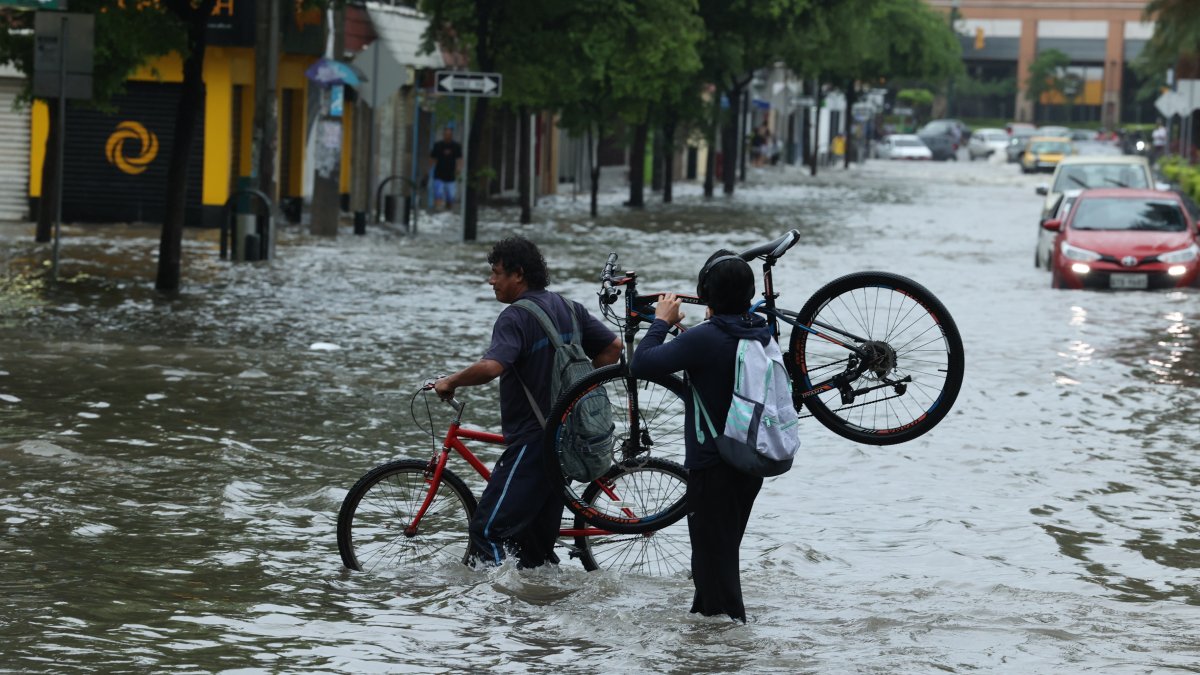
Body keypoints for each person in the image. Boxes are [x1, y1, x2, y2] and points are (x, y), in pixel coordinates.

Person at [434, 236, 622, 568]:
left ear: (518, 274)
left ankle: (490, 613)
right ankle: (536, 613)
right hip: (565, 445)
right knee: (534, 549)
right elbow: (612, 350)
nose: (491, 281)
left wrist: (450, 380)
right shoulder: (568, 307)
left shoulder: (515, 318)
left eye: (496, 273)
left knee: (487, 531)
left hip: (533, 443)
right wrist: (577, 394)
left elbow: (492, 367)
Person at [630, 250, 771, 623]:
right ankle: (709, 652)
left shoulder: (706, 339)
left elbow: (641, 363)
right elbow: (709, 354)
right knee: (717, 560)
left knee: (715, 570)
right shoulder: (758, 330)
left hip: (713, 469)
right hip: (748, 464)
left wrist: (660, 322)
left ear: (705, 294)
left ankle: (730, 645)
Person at [428, 127, 463, 210]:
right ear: (443, 135)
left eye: (449, 134)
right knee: (438, 194)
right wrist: (428, 170)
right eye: (446, 134)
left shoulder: (456, 146)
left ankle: (448, 209)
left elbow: (459, 159)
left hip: (451, 175)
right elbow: (432, 159)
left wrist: (458, 169)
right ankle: (438, 209)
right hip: (439, 174)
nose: (447, 136)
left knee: (450, 197)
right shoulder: (438, 145)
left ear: (451, 135)